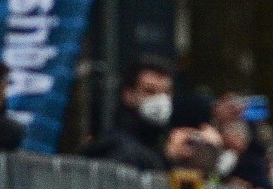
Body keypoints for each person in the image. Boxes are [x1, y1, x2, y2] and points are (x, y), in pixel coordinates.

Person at [81, 54, 220, 172]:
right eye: (149, 91)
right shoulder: (115, 146)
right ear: (128, 95)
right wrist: (167, 156)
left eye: (166, 92)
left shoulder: (160, 140)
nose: (160, 99)